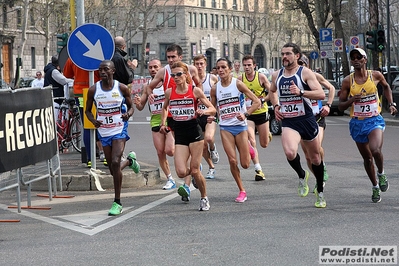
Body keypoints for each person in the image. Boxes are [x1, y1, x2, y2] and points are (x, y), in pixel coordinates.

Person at [268, 43, 327, 208]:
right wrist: (276, 106)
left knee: (315, 158)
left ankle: (320, 191)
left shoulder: (305, 73)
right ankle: (302, 175)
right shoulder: (276, 75)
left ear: (297, 56)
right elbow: (272, 91)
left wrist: (301, 92)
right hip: (289, 121)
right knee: (289, 152)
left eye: (288, 54)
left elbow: (321, 93)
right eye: (282, 54)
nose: (284, 57)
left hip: (306, 119)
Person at [338, 48, 397, 203]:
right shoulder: (347, 81)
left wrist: (391, 103)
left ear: (365, 59)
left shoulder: (375, 75)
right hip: (357, 122)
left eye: (359, 57)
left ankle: (382, 173)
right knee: (367, 158)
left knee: (376, 150)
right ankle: (375, 186)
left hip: (374, 119)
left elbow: (386, 87)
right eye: (353, 58)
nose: (356, 60)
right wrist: (352, 100)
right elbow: (341, 106)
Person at [85, 60, 140, 216]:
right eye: (100, 69)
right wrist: (93, 120)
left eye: (106, 69)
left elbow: (131, 107)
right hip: (104, 131)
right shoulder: (93, 90)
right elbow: (88, 111)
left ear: (113, 71)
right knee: (112, 169)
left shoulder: (121, 88)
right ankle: (129, 161)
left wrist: (127, 115)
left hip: (119, 129)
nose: (102, 72)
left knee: (115, 161)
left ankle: (117, 202)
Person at [159, 61, 216, 211]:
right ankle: (196, 173)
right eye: (173, 75)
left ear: (186, 75)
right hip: (180, 134)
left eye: (179, 74)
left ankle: (204, 198)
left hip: (195, 132)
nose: (175, 77)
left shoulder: (194, 90)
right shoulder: (170, 92)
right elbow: (164, 108)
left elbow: (213, 108)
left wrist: (204, 112)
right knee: (181, 172)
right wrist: (163, 123)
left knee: (195, 170)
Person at [147, 44, 202, 197]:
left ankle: (188, 183)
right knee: (169, 152)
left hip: (190, 118)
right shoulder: (163, 72)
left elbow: (199, 84)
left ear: (180, 57)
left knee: (176, 149)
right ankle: (194, 170)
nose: (170, 60)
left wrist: (199, 102)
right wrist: (149, 93)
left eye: (173, 57)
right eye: (168, 57)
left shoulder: (190, 70)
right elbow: (149, 87)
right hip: (172, 118)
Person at [207, 58, 260, 203]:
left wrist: (245, 114)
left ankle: (249, 148)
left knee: (245, 164)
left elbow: (257, 102)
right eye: (218, 68)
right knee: (232, 160)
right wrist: (211, 116)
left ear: (230, 69)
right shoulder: (215, 89)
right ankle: (242, 190)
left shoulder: (238, 84)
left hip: (241, 126)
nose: (221, 70)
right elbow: (213, 108)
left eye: (224, 67)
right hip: (225, 127)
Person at [133, 58, 176, 190]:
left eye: (155, 67)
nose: (153, 70)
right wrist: (138, 101)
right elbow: (141, 107)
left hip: (168, 119)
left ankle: (188, 162)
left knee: (170, 150)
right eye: (150, 67)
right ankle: (170, 178)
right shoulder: (148, 87)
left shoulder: (168, 83)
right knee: (160, 152)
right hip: (155, 121)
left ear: (161, 68)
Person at [298, 54, 335, 192]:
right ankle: (318, 178)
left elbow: (331, 88)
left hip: (317, 117)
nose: (301, 66)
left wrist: (328, 105)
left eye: (303, 63)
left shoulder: (314, 76)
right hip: (302, 120)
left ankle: (322, 166)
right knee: (308, 155)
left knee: (317, 147)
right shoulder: (293, 79)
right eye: (299, 63)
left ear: (308, 65)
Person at [63, 57, 104, 166]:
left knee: (86, 125)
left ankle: (90, 158)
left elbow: (67, 74)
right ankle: (105, 155)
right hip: (97, 91)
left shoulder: (73, 57)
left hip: (81, 93)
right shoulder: (98, 54)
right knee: (102, 122)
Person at [239, 55, 272, 181]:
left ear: (254, 65)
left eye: (249, 65)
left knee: (264, 144)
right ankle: (258, 170)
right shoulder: (240, 79)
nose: (247, 67)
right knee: (252, 141)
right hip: (248, 114)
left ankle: (267, 134)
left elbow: (272, 92)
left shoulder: (261, 77)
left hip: (262, 112)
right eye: (245, 65)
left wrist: (263, 99)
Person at [193, 54, 219, 179]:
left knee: (208, 138)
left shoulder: (212, 78)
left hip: (210, 114)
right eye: (197, 64)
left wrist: (216, 112)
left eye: (201, 64)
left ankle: (213, 149)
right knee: (202, 145)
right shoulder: (192, 80)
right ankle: (211, 167)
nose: (199, 66)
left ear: (205, 64)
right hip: (197, 115)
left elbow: (220, 93)